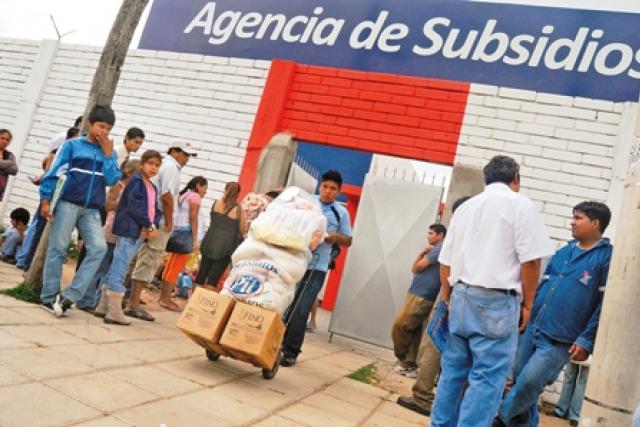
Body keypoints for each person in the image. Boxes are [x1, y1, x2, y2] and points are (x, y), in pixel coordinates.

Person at [429, 155, 554, 426]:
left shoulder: (466, 207)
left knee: (452, 373)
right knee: (486, 378)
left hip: (461, 295)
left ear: (487, 179)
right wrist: (528, 304)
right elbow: (531, 261)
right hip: (496, 302)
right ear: (516, 178)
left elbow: (445, 261)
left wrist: (449, 298)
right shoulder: (520, 205)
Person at [495, 201, 613, 427]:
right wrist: (527, 313)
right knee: (522, 382)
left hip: (561, 338)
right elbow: (542, 285)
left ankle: (500, 420)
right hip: (534, 327)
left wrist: (586, 339)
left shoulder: (606, 258)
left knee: (529, 383)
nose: (572, 222)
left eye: (578, 218)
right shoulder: (563, 252)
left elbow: (603, 304)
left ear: (595, 223)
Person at [38, 104, 121, 317]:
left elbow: (112, 179)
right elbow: (54, 173)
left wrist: (108, 155)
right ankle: (48, 297)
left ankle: (69, 296)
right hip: (67, 203)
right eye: (101, 126)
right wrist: (45, 200)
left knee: (99, 248)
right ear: (90, 124)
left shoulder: (110, 152)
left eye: (108, 128)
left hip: (92, 209)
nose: (104, 132)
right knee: (58, 248)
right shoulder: (72, 146)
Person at [397, 196, 470, 416]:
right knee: (465, 351)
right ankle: (457, 406)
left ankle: (422, 398)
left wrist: (446, 296)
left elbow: (444, 265)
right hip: (483, 298)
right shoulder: (488, 234)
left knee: (433, 345)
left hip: (454, 292)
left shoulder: (457, 234)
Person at [280, 170, 353, 367]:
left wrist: (334, 237)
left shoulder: (341, 213)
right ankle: (275, 340)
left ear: (338, 192)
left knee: (301, 309)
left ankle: (290, 351)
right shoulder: (307, 202)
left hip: (317, 267)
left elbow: (348, 240)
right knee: (285, 303)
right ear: (320, 187)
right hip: (294, 260)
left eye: (333, 189)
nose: (328, 191)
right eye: (325, 186)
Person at [126, 145, 195, 319]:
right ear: (174, 151)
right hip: (160, 219)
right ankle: (133, 304)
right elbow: (166, 197)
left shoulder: (167, 167)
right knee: (149, 259)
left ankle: (128, 297)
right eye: (185, 154)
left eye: (189, 155)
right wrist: (169, 222)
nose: (187, 159)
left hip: (151, 218)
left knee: (138, 258)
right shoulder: (171, 168)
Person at [96, 150, 162, 325]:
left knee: (119, 264)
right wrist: (148, 224)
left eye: (157, 165)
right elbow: (135, 207)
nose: (154, 168)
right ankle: (114, 311)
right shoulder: (136, 182)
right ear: (142, 164)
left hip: (140, 231)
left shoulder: (152, 186)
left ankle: (103, 306)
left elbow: (155, 209)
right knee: (121, 266)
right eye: (150, 163)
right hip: (129, 230)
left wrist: (154, 223)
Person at [76, 160, 140, 311]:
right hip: (111, 231)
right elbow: (108, 205)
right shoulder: (118, 186)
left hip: (123, 234)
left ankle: (98, 302)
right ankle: (84, 300)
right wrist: (125, 204)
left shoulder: (134, 189)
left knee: (109, 271)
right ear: (129, 172)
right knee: (99, 268)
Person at [16, 126, 80, 271]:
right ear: (68, 139)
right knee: (39, 230)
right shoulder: (57, 154)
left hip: (66, 200)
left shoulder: (78, 159)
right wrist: (45, 198)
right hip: (50, 196)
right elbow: (49, 175)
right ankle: (27, 264)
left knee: (56, 235)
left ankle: (41, 268)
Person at [391, 223, 447, 377]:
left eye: (431, 233)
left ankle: (402, 357)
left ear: (441, 235)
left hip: (422, 296)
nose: (428, 236)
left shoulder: (439, 249)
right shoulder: (435, 249)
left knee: (400, 325)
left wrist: (422, 253)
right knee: (415, 332)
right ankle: (409, 363)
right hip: (416, 292)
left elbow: (416, 267)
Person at [161, 176, 207, 304]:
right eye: (204, 188)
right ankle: (166, 299)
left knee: (170, 265)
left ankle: (163, 297)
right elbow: (193, 218)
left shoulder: (184, 194)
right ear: (198, 185)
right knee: (176, 268)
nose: (205, 191)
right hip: (186, 234)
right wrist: (195, 239)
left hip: (178, 232)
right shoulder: (195, 197)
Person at [196, 182, 247, 289]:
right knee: (213, 279)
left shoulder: (216, 203)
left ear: (225, 189)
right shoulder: (239, 210)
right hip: (225, 247)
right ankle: (203, 299)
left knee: (201, 275)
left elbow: (212, 221)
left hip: (209, 241)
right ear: (238, 194)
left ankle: (193, 298)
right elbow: (243, 230)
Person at [552, 358, 591, 426]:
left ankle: (575, 416)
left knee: (583, 380)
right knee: (569, 374)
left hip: (591, 352)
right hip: (573, 351)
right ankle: (561, 410)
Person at [0, 128, 18, 201]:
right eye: (2, 138)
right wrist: (10, 163)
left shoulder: (9, 155)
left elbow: (14, 171)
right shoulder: (10, 160)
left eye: (7, 140)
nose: (4, 141)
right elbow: (11, 165)